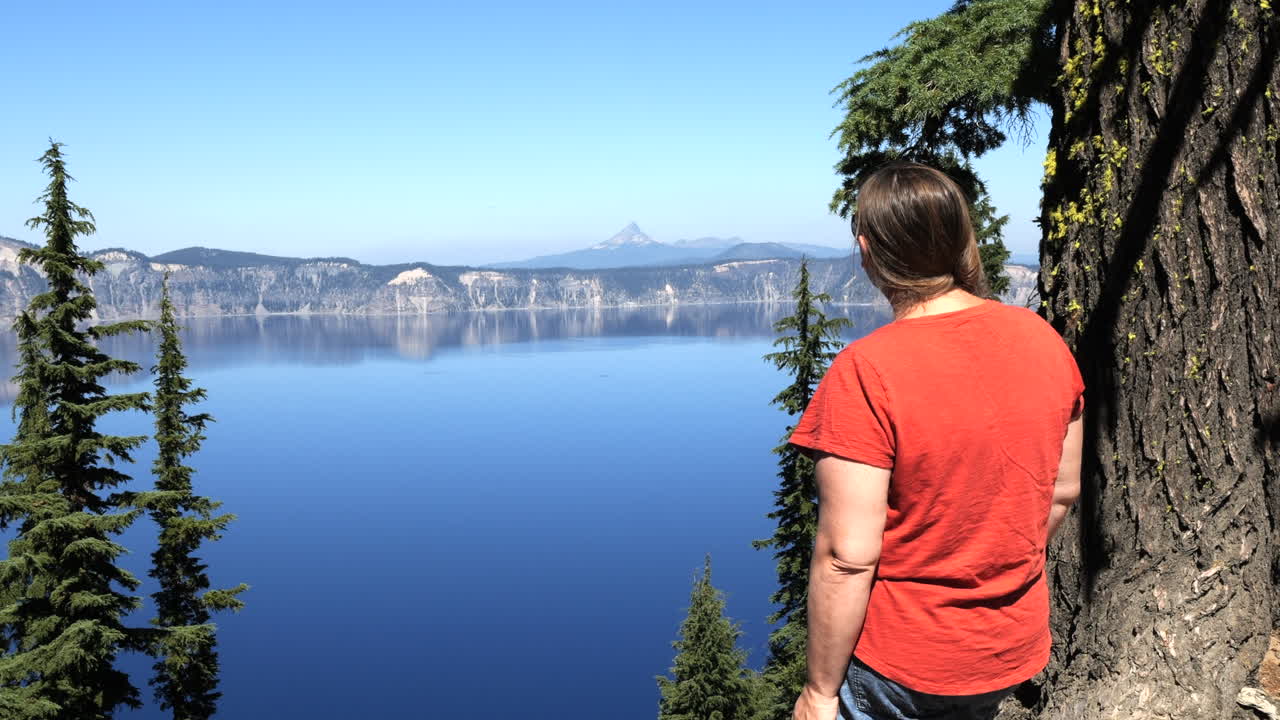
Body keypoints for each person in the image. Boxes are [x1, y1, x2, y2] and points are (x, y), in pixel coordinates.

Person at [786, 162, 1084, 720]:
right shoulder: (1043, 341)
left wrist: (819, 692)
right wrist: (987, 558)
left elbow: (847, 557)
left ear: (866, 249)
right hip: (1007, 646)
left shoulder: (866, 372)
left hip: (902, 663)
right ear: (959, 237)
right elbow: (1062, 492)